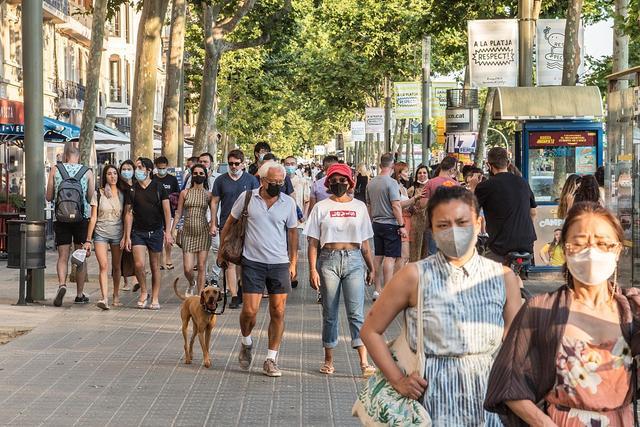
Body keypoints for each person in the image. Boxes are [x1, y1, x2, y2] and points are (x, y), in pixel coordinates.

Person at [360, 186, 521, 425]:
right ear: (432, 231)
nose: (454, 231)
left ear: (478, 224)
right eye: (443, 225)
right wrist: (398, 380)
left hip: (486, 399)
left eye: (462, 222)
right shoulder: (414, 276)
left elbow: (516, 344)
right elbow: (370, 331)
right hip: (431, 399)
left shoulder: (503, 278)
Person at [485, 202, 638, 426]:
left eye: (602, 243)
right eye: (579, 243)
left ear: (617, 250)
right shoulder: (541, 310)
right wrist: (543, 422)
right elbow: (507, 382)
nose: (591, 251)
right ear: (565, 249)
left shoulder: (632, 310)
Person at [219, 160, 298, 377]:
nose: (278, 185)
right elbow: (229, 223)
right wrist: (221, 250)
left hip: (279, 263)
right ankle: (246, 341)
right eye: (274, 182)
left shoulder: (288, 203)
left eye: (281, 182)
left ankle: (271, 358)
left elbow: (293, 233)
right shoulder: (247, 198)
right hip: (252, 262)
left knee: (278, 311)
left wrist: (293, 262)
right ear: (262, 180)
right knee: (249, 311)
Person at [304, 163, 376, 377]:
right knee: (330, 313)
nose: (338, 184)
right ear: (328, 182)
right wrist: (312, 270)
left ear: (350, 182)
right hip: (328, 260)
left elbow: (364, 243)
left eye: (342, 180)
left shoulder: (359, 207)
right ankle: (328, 360)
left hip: (354, 260)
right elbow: (313, 242)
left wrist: (371, 267)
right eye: (334, 180)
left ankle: (364, 362)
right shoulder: (321, 207)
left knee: (356, 313)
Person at [46, 143, 95, 307]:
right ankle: (80, 295)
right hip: (81, 218)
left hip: (61, 218)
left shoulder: (55, 170)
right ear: (79, 156)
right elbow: (89, 198)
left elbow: (48, 196)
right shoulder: (87, 171)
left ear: (65, 155)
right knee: (80, 257)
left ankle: (62, 285)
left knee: (63, 256)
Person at [469, 147, 537, 264]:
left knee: (483, 274)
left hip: (500, 245)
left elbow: (470, 211)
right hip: (527, 243)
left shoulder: (485, 186)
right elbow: (533, 212)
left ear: (488, 165)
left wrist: (473, 187)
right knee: (513, 278)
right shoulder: (523, 182)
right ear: (508, 163)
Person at [210, 149, 260, 309]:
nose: (233, 166)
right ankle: (234, 294)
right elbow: (214, 202)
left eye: (236, 164)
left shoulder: (252, 180)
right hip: (227, 224)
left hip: (248, 225)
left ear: (243, 163)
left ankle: (242, 286)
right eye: (230, 164)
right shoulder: (221, 181)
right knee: (230, 259)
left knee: (244, 260)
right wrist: (213, 221)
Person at [123, 157, 173, 310]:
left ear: (149, 170)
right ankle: (144, 292)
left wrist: (168, 232)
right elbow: (129, 213)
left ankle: (155, 297)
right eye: (136, 167)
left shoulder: (159, 188)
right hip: (138, 232)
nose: (136, 170)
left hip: (156, 231)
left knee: (154, 266)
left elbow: (166, 210)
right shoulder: (133, 189)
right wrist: (127, 236)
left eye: (139, 167)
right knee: (139, 264)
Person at [366, 153, 408, 301]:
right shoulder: (392, 183)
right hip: (390, 224)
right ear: (393, 165)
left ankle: (377, 290)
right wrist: (402, 225)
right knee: (390, 258)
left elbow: (369, 205)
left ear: (380, 165)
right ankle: (388, 292)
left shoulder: (371, 183)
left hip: (376, 224)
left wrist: (369, 224)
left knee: (378, 256)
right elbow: (396, 206)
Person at [84, 164, 125, 310]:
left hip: (117, 234)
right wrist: (88, 239)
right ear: (104, 176)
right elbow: (93, 217)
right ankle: (104, 298)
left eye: (115, 173)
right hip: (100, 233)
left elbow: (127, 216)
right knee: (103, 266)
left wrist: (125, 236)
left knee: (116, 266)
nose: (112, 176)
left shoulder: (122, 194)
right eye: (109, 174)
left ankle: (115, 296)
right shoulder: (99, 193)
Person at [172, 164, 211, 296]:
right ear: (191, 175)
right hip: (188, 232)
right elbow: (178, 212)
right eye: (195, 173)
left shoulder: (208, 194)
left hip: (203, 231)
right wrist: (173, 229)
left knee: (201, 266)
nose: (198, 175)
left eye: (201, 173)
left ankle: (200, 295)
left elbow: (214, 213)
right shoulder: (185, 193)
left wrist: (213, 225)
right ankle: (191, 282)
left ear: (205, 175)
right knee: (187, 268)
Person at [392, 161, 422, 270]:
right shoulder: (395, 186)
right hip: (402, 221)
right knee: (403, 256)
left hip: (408, 220)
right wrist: (414, 199)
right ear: (399, 173)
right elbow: (397, 205)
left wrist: (412, 207)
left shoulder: (403, 188)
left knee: (405, 256)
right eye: (406, 171)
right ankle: (397, 282)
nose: (408, 173)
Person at [153, 156, 180, 271]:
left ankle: (168, 259)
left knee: (168, 237)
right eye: (159, 168)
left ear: (167, 167)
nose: (162, 170)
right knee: (158, 238)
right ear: (156, 167)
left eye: (164, 168)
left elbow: (177, 195)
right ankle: (159, 261)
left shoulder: (172, 179)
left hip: (170, 213)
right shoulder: (152, 178)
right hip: (155, 213)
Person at [118, 160, 137, 292]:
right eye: (123, 169)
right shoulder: (118, 186)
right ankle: (125, 280)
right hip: (119, 222)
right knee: (123, 251)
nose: (126, 171)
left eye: (129, 168)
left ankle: (136, 278)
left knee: (135, 250)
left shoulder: (137, 186)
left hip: (136, 222)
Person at [407, 164, 429, 262]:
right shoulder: (412, 189)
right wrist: (412, 207)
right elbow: (405, 205)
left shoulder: (431, 188)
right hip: (415, 223)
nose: (422, 175)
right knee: (415, 250)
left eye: (424, 172)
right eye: (419, 173)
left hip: (428, 222)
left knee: (426, 249)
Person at [284, 156, 310, 221]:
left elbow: (307, 201)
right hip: (284, 219)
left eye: (292, 164)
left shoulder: (302, 181)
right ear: (284, 166)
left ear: (296, 166)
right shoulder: (280, 182)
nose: (290, 166)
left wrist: (304, 215)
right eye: (287, 164)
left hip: (299, 220)